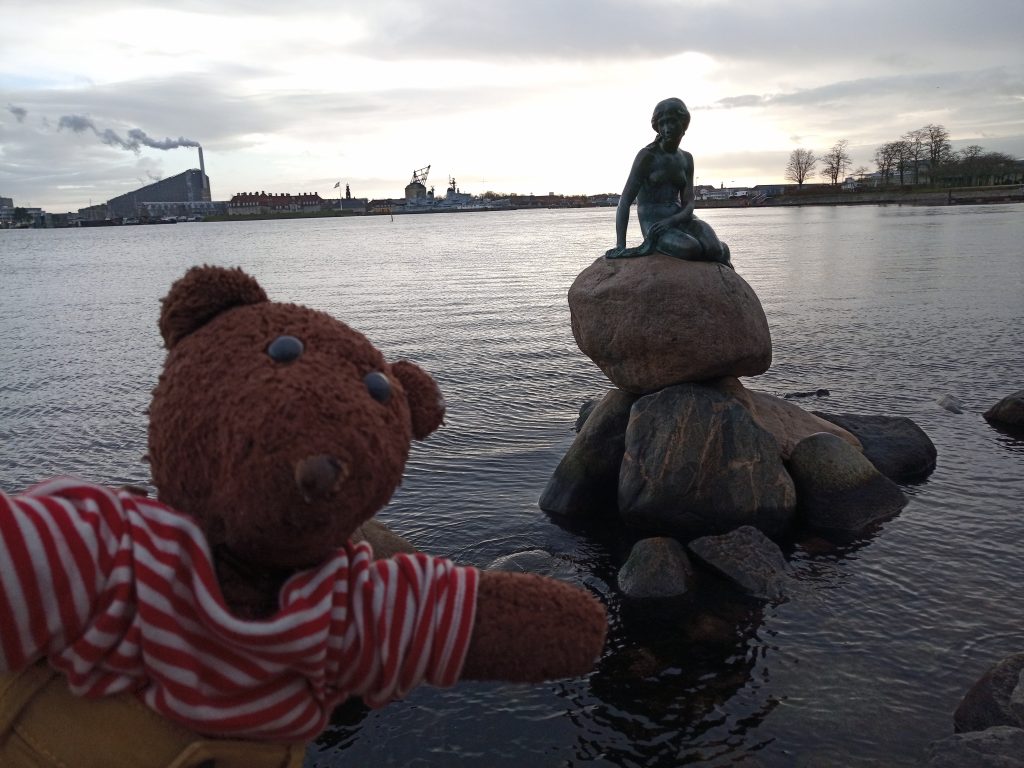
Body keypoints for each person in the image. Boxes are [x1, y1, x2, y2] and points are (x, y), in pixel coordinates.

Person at [605, 97, 732, 267]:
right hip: (654, 224)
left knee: (715, 249)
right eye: (662, 124)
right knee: (692, 249)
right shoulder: (647, 156)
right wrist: (621, 245)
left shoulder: (686, 158)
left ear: (683, 123)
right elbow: (624, 202)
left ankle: (719, 253)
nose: (666, 129)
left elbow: (689, 204)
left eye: (671, 122)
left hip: (680, 218)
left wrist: (672, 221)